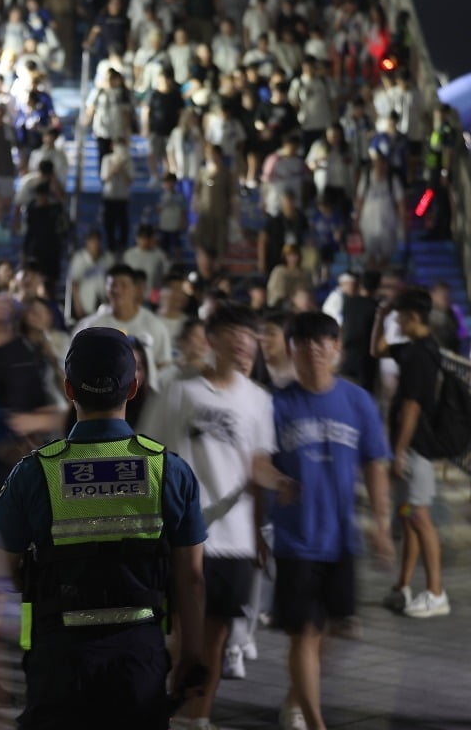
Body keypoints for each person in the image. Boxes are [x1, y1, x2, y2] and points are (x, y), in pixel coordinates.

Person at [0, 327, 209, 729]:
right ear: (134, 386)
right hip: (139, 656)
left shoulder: (34, 473)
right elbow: (190, 577)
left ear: (68, 388)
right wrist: (191, 654)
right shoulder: (168, 471)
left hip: (58, 658)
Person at [255, 311, 393, 730]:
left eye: (323, 341)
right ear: (290, 350)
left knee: (333, 626)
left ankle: (297, 696)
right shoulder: (276, 405)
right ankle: (313, 720)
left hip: (341, 538)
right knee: (304, 632)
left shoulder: (357, 401)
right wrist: (271, 492)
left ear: (336, 349)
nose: (314, 349)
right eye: (304, 342)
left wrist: (382, 523)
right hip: (296, 538)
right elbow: (258, 463)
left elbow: (375, 463)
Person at [142, 302, 276, 729]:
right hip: (186, 536)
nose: (243, 342)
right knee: (186, 635)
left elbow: (258, 466)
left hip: (234, 535)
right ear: (211, 337)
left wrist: (261, 532)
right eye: (234, 333)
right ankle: (177, 712)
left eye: (249, 335)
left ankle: (198, 717)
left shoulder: (258, 400)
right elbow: (149, 456)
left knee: (216, 639)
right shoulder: (179, 390)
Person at [371, 287, 450, 618]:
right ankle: (402, 586)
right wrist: (381, 314)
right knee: (408, 513)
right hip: (411, 447)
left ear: (413, 317)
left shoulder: (422, 354)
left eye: (400, 316)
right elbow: (378, 350)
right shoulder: (416, 347)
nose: (397, 322)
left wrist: (399, 452)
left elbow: (413, 406)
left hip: (416, 446)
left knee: (419, 516)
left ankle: (436, 593)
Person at [72, 264, 174, 390]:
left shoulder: (155, 325)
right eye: (113, 285)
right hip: (103, 400)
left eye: (124, 285)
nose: (117, 290)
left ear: (136, 289)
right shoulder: (90, 326)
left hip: (146, 400)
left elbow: (163, 365)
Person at [67, 230, 115, 321]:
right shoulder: (79, 258)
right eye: (91, 241)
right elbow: (74, 283)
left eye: (96, 241)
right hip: (86, 302)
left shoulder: (108, 258)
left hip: (104, 301)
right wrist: (78, 306)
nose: (94, 244)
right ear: (87, 242)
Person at [123, 225, 170, 297]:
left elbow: (165, 276)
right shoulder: (128, 255)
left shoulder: (160, 255)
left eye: (147, 238)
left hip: (153, 296)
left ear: (152, 238)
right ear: (137, 238)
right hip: (133, 295)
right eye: (141, 237)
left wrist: (156, 297)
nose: (144, 241)